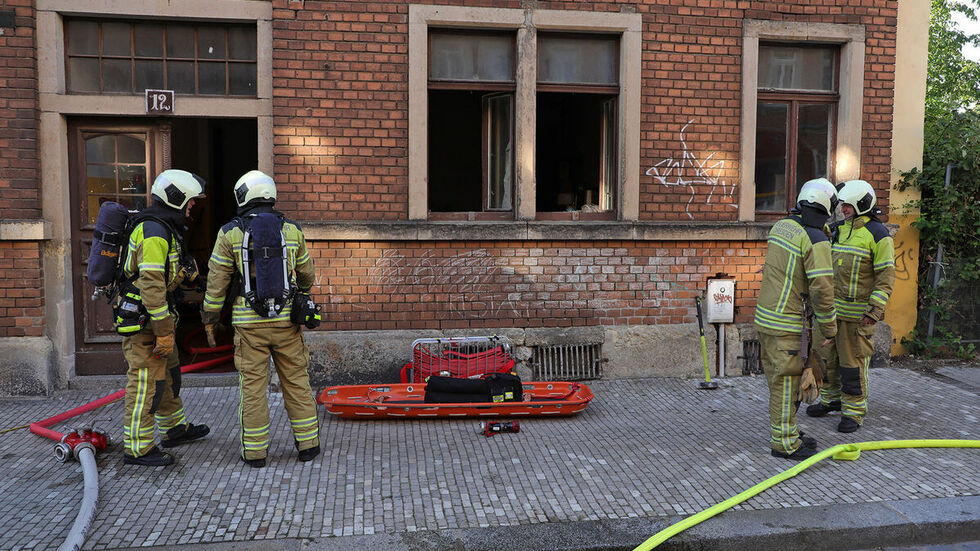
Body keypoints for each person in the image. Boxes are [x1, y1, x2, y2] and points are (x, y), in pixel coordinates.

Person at [201, 170, 320, 468]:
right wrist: (301, 295)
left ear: (243, 196)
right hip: (286, 324)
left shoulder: (230, 233)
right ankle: (308, 445)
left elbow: (216, 282)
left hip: (248, 325)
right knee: (296, 381)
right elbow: (307, 274)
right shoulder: (292, 230)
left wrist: (210, 319)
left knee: (253, 387)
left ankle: (255, 452)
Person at [120, 169, 211, 467]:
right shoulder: (154, 232)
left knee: (169, 377)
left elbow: (168, 274)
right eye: (190, 201)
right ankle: (138, 447)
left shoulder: (165, 229)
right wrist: (162, 330)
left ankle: (174, 429)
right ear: (176, 198)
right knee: (146, 383)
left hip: (161, 321)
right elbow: (151, 284)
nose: (192, 207)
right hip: (147, 324)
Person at [754, 178, 838, 460]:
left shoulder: (782, 226)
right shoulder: (816, 240)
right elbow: (822, 289)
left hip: (767, 318)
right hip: (788, 323)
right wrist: (828, 327)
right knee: (787, 382)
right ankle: (785, 443)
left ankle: (788, 429)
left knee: (779, 380)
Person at [807, 180, 895, 433]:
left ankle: (854, 412)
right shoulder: (837, 230)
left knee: (852, 364)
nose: (843, 210)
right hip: (831, 314)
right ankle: (831, 400)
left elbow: (886, 278)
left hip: (858, 318)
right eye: (842, 205)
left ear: (862, 205)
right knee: (826, 359)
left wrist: (874, 311)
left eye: (847, 206)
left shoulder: (878, 236)